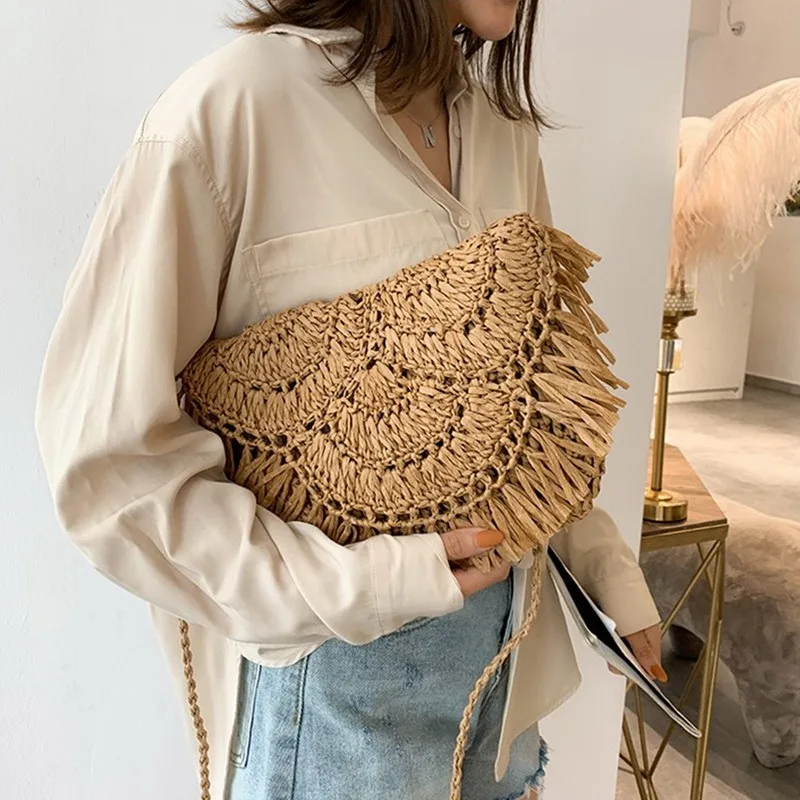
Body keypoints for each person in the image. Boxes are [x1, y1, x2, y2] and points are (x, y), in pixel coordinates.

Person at [35, 2, 665, 799]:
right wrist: (365, 585)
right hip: (333, 703)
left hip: (504, 689)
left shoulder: (500, 129)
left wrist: (605, 571)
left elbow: (520, 421)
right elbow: (109, 466)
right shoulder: (235, 110)